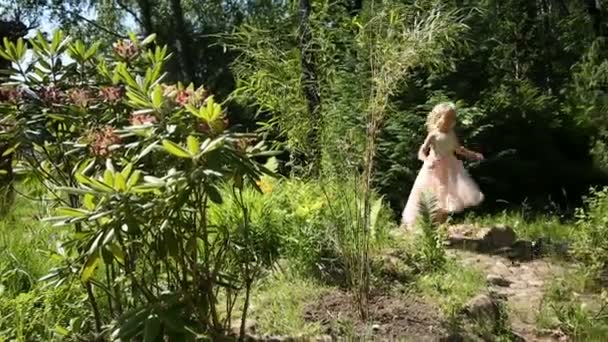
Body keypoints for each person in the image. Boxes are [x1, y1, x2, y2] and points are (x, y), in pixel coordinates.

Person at [401, 102, 484, 229]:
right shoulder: (433, 135)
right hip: (433, 170)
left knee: (446, 197)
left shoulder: (451, 134)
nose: (451, 121)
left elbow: (458, 149)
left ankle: (441, 228)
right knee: (432, 196)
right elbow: (422, 151)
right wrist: (426, 161)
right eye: (448, 117)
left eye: (453, 118)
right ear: (439, 117)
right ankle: (428, 226)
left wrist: (473, 155)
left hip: (450, 170)